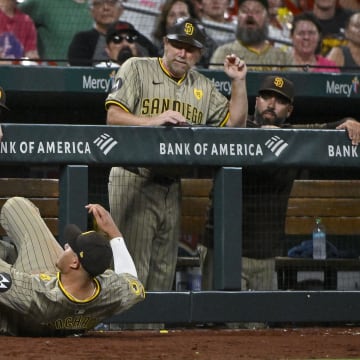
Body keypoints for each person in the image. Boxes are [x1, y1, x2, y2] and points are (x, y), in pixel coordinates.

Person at [105, 17, 248, 295]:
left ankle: (154, 336)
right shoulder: (137, 67)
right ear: (165, 43)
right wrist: (154, 120)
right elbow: (114, 116)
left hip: (171, 185)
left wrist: (239, 83)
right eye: (178, 45)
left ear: (199, 54)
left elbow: (235, 128)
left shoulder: (203, 86)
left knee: (162, 273)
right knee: (133, 271)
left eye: (191, 49)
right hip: (134, 177)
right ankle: (124, 336)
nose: (183, 53)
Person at [201, 75, 360, 293]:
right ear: (256, 101)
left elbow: (325, 128)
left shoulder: (294, 139)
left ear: (289, 111)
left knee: (257, 325)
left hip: (265, 255)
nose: (271, 104)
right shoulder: (236, 127)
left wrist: (350, 121)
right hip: (222, 250)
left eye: (280, 101)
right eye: (266, 97)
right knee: (217, 322)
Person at [0, 196, 144, 336]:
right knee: (8, 252)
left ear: (74, 262)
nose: (66, 245)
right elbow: (133, 281)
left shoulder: (35, 293)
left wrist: (114, 233)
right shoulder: (109, 292)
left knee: (16, 206)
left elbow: (22, 289)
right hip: (57, 313)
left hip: (21, 315)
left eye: (70, 247)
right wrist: (114, 233)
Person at [210, 0, 294, 71]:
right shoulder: (224, 53)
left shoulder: (282, 57)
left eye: (256, 11)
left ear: (267, 18)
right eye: (244, 11)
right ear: (238, 17)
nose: (250, 15)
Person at [18, 0, 93, 63]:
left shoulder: (99, 8)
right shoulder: (45, 2)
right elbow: (9, 14)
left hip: (89, 77)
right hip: (50, 76)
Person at [152, 0, 217, 67]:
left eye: (182, 14)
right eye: (172, 15)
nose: (177, 19)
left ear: (192, 18)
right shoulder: (157, 46)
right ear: (165, 22)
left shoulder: (208, 44)